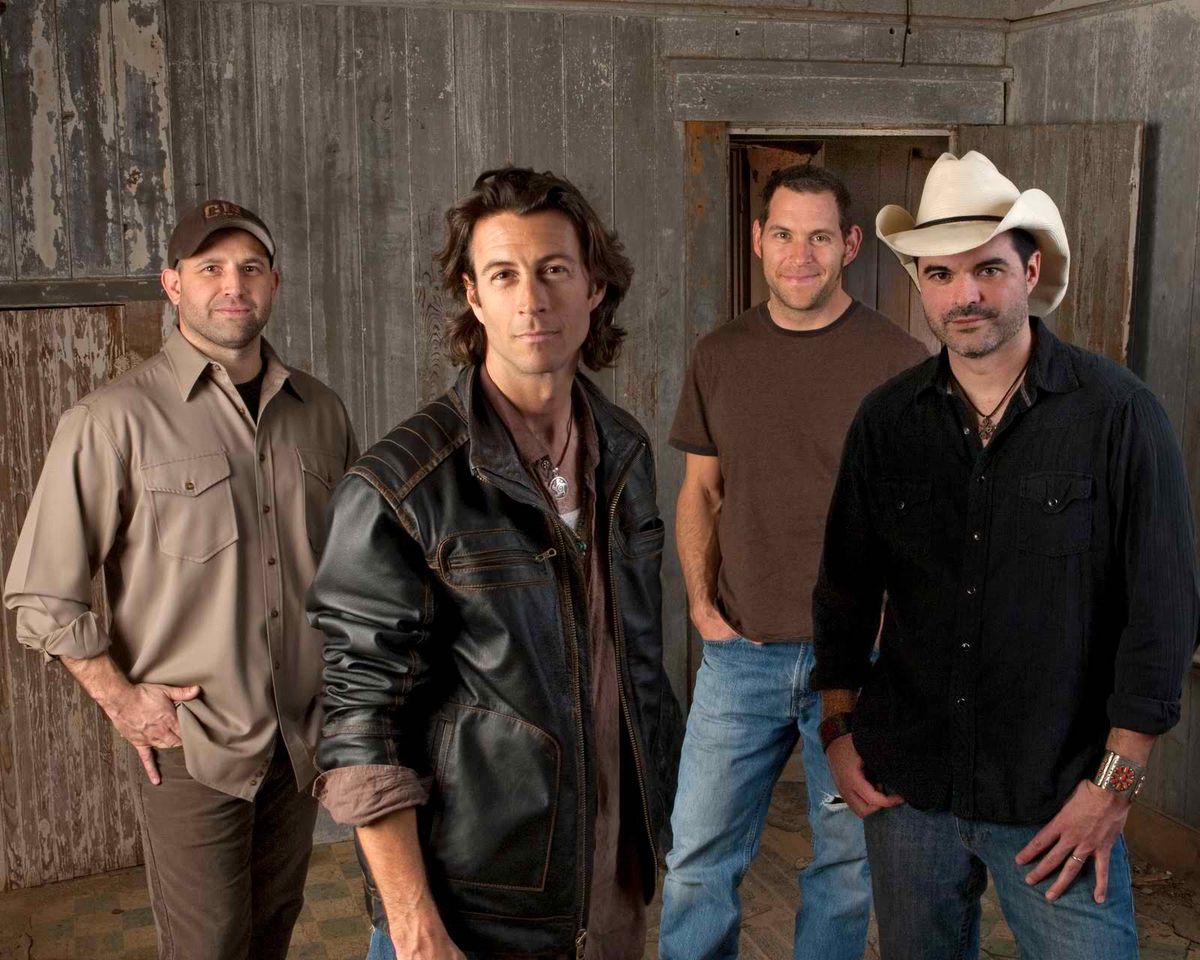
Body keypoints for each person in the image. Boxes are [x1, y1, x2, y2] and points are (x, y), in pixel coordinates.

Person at [812, 150, 1200, 960]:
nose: (966, 295)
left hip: (1058, 799)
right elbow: (844, 589)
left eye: (987, 269)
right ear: (920, 285)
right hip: (909, 794)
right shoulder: (886, 422)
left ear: (1030, 270)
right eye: (940, 274)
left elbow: (1162, 616)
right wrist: (839, 734)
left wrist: (1114, 788)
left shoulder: (1120, 416)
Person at [306, 167, 683, 960]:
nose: (532, 300)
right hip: (470, 905)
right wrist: (414, 926)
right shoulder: (401, 485)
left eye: (554, 270)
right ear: (474, 298)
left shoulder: (625, 451)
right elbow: (362, 721)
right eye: (505, 275)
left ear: (595, 288)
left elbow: (638, 665)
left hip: (608, 880)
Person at [3, 198, 357, 959]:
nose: (233, 285)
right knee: (209, 947)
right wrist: (123, 701)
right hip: (194, 748)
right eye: (210, 268)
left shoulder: (322, 413)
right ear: (172, 284)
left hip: (303, 740)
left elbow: (352, 572)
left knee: (272, 931)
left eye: (251, 268)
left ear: (275, 283)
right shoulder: (111, 420)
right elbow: (41, 595)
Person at [659, 164, 927, 960]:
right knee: (696, 862)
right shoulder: (719, 354)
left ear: (850, 245)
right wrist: (700, 603)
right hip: (739, 657)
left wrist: (894, 629)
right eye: (783, 234)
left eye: (819, 237)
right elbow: (700, 490)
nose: (799, 255)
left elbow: (924, 517)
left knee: (845, 868)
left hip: (857, 665)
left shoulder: (901, 360)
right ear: (758, 239)